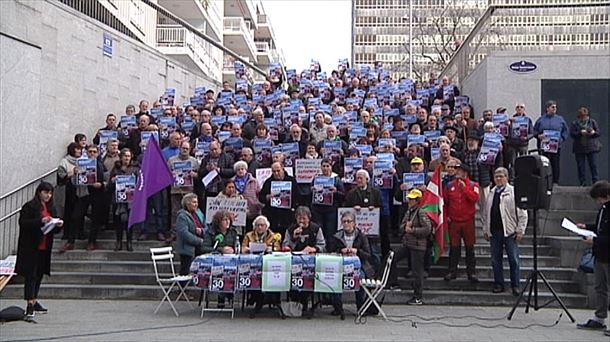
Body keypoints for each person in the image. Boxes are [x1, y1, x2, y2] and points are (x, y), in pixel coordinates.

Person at [15, 182, 64, 321]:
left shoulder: (50, 207)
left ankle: (34, 300)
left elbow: (53, 227)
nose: (48, 195)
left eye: (50, 193)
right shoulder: (30, 206)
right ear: (39, 192)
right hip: (31, 246)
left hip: (45, 246)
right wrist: (41, 221)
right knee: (31, 275)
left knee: (39, 273)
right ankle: (29, 303)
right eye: (45, 192)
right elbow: (24, 223)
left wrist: (58, 225)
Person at [482, 168, 528, 296]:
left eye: (501, 176)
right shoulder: (491, 193)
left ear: (506, 177)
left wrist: (520, 230)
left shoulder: (513, 192)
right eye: (496, 176)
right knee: (495, 260)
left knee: (513, 259)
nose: (498, 179)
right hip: (495, 232)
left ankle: (515, 285)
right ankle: (499, 284)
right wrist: (486, 229)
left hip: (510, 231)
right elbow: (486, 213)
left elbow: (523, 213)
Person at [576, 180, 610, 336]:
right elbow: (600, 227)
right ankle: (599, 317)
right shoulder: (603, 209)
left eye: (599, 198)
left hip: (607, 254)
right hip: (600, 255)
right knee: (600, 288)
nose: (597, 202)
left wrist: (595, 240)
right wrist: (586, 227)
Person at [388, 189, 432, 305]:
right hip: (408, 244)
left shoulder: (421, 212)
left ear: (417, 200)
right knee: (393, 258)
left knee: (417, 272)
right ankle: (394, 283)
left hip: (418, 246)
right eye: (409, 199)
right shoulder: (409, 212)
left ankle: (418, 296)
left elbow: (427, 229)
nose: (409, 201)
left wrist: (413, 230)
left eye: (412, 199)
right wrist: (404, 228)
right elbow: (402, 226)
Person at [328, 211, 374, 319]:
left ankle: (360, 306)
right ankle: (338, 307)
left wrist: (357, 251)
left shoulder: (361, 236)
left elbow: (368, 255)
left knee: (360, 278)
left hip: (359, 265)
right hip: (341, 265)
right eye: (344, 221)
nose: (346, 224)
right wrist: (340, 251)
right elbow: (330, 251)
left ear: (354, 223)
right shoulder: (336, 236)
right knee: (334, 278)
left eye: (349, 221)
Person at [283, 206, 326, 319]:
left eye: (304, 218)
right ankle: (295, 302)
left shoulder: (316, 229)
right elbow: (285, 246)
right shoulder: (291, 229)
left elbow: (322, 245)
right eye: (299, 219)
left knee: (308, 278)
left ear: (309, 218)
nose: (301, 221)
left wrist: (313, 249)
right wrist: (293, 238)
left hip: (311, 262)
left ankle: (305, 304)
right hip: (295, 261)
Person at [443, 163, 480, 283]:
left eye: (459, 170)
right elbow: (446, 202)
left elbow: (474, 198)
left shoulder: (473, 185)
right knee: (454, 248)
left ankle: (471, 273)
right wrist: (447, 216)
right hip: (454, 221)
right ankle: (452, 271)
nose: (456, 172)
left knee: (470, 248)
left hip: (468, 221)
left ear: (465, 173)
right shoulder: (449, 186)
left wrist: (465, 189)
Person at [241, 215, 282, 318]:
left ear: (266, 227)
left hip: (269, 264)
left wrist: (271, 249)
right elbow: (242, 248)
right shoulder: (248, 235)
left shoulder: (273, 236)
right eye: (258, 225)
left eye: (262, 225)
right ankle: (255, 298)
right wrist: (247, 249)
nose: (260, 227)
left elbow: (278, 248)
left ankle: (269, 298)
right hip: (253, 264)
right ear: (254, 226)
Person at [107, 148, 139, 251]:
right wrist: (112, 181)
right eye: (125, 156)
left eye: (128, 156)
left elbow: (141, 184)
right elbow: (109, 185)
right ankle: (119, 241)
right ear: (121, 157)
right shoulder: (115, 169)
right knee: (118, 222)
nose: (127, 158)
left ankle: (129, 241)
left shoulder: (135, 169)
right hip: (118, 199)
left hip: (130, 200)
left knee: (129, 221)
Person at [533, 100, 569, 184]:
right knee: (544, 163)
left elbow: (565, 131)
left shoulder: (560, 119)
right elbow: (534, 131)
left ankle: (555, 182)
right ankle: (544, 181)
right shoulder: (541, 120)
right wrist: (538, 136)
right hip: (544, 146)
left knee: (555, 163)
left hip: (555, 146)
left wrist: (561, 139)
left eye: (555, 107)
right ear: (547, 108)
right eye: (553, 107)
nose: (554, 109)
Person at [311, 158, 345, 242]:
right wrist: (312, 189)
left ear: (331, 167)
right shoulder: (316, 178)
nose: (325, 168)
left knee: (330, 231)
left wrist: (336, 191)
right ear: (321, 167)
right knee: (319, 231)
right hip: (318, 209)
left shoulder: (336, 179)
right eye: (323, 166)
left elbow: (343, 195)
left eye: (327, 166)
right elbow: (310, 192)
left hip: (331, 210)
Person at [175, 193, 206, 276]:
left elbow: (206, 227)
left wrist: (202, 231)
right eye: (194, 202)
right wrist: (199, 241)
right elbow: (184, 233)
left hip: (199, 247)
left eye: (197, 202)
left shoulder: (199, 213)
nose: (196, 204)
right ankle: (182, 288)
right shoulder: (182, 216)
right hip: (187, 248)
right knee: (185, 270)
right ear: (187, 203)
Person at [569, 106, 601, 186]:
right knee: (581, 166)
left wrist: (593, 132)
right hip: (579, 147)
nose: (585, 118)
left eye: (586, 116)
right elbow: (572, 134)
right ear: (579, 117)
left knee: (593, 165)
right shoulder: (575, 123)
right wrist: (580, 133)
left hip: (591, 147)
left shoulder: (592, 122)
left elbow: (598, 133)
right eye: (583, 117)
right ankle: (582, 182)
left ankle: (595, 182)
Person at [231, 161, 261, 233]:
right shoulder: (232, 181)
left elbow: (259, 193)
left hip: (252, 209)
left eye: (242, 169)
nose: (240, 171)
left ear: (246, 170)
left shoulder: (254, 181)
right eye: (238, 169)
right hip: (238, 211)